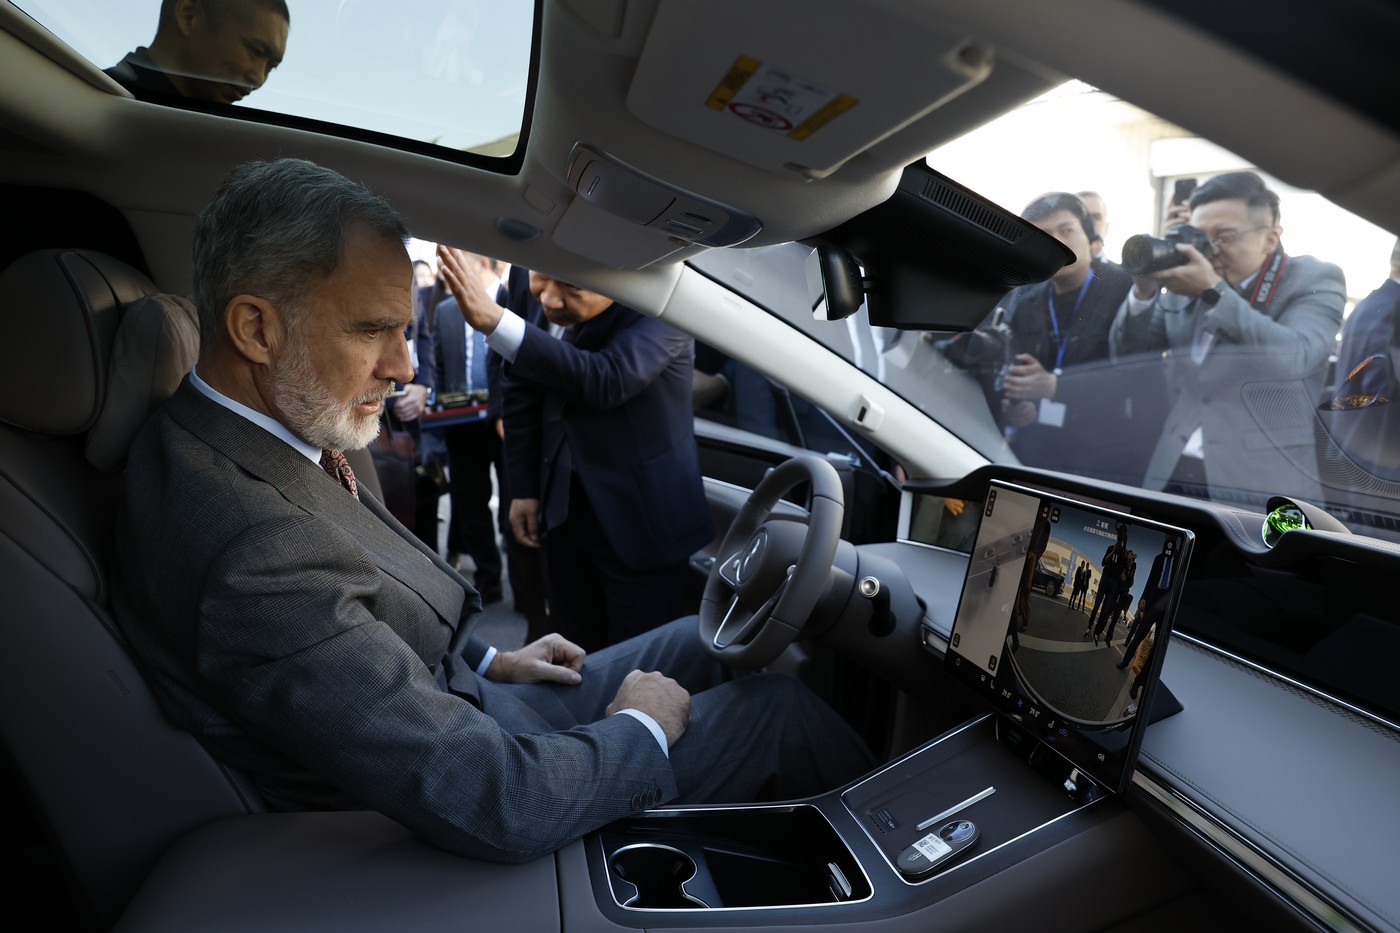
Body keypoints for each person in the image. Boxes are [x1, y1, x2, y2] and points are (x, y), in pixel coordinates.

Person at [110, 158, 872, 864]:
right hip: (459, 798)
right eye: (373, 330)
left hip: (477, 700)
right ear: (255, 329)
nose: (405, 365)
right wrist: (639, 727)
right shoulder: (250, 546)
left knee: (706, 638)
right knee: (780, 714)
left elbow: (349, 622)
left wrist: (489, 658)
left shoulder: (235, 440)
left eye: (403, 328)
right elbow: (499, 797)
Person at [438, 247, 714, 651]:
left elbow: (608, 379)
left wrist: (499, 324)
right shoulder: (523, 276)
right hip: (563, 507)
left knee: (641, 659)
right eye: (541, 281)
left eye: (571, 286)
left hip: (643, 514)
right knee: (573, 650)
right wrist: (524, 489)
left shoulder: (664, 285)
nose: (549, 299)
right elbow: (521, 387)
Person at [1110, 171, 1346, 505]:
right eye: (1200, 236)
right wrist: (1144, 289)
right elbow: (1126, 357)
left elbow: (1296, 358)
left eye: (1224, 236)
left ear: (1270, 238)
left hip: (1262, 485)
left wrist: (1213, 291)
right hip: (1171, 470)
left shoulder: (1313, 277)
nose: (1209, 249)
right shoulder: (1185, 281)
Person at [940, 193, 1132, 465]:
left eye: (1066, 230)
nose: (1058, 243)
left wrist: (1056, 386)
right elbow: (1016, 369)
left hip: (1104, 455)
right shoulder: (1025, 300)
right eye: (1046, 238)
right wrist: (1017, 408)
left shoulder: (1125, 290)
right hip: (1036, 454)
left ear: (1090, 238)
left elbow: (1136, 378)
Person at [433, 252, 506, 604]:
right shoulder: (445, 310)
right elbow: (440, 367)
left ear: (481, 264)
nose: (446, 270)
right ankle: (489, 578)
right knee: (470, 502)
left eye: (456, 261)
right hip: (461, 425)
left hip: (506, 421)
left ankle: (528, 587)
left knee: (514, 499)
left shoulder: (513, 300)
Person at [105, 0, 289, 104]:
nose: (258, 80)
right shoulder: (103, 100)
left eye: (271, 67)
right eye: (255, 51)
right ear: (189, 16)